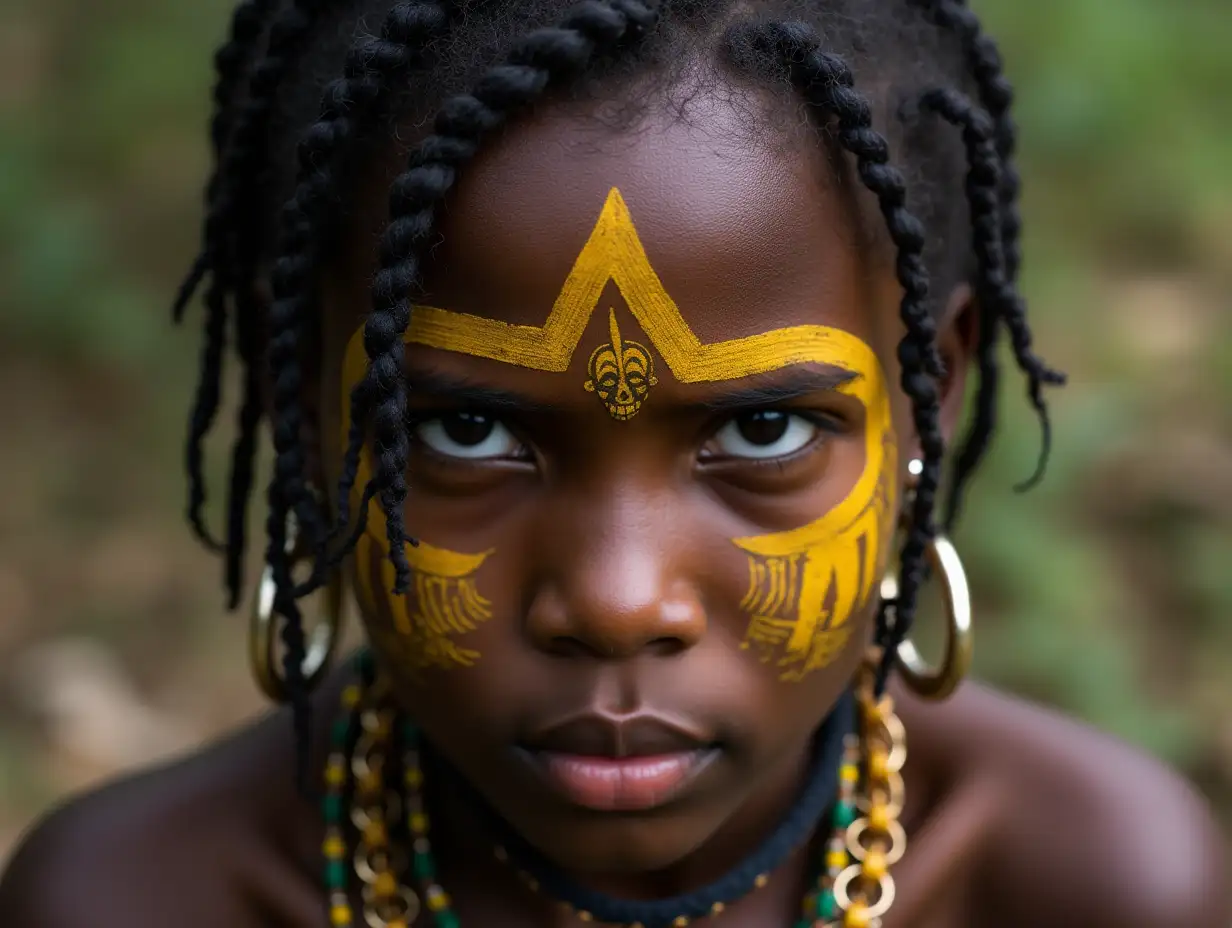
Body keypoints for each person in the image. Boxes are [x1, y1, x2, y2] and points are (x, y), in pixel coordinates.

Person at [0, 1, 1226, 926]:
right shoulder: (133, 900)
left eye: (760, 431)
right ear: (296, 399)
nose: (615, 598)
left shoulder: (1084, 884)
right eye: (465, 431)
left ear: (928, 396)